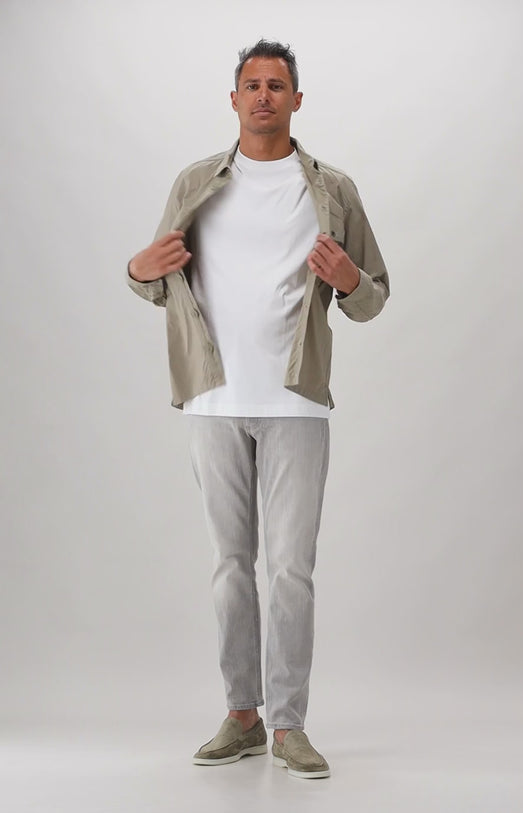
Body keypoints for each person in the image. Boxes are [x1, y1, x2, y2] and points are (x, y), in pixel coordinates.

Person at [126, 39, 389, 779]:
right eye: (252, 85)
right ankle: (242, 715)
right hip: (212, 398)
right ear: (235, 99)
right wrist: (136, 269)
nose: (264, 96)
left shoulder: (333, 189)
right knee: (230, 567)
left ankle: (288, 724)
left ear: (296, 100)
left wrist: (350, 277)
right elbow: (157, 278)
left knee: (291, 570)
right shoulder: (194, 183)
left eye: (277, 85)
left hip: (296, 401)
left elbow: (373, 298)